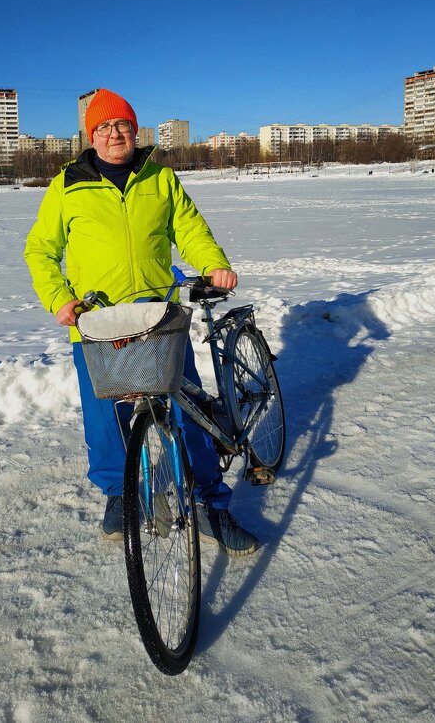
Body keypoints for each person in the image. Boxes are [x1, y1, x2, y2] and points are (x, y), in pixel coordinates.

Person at [24, 88, 259, 556]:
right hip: (96, 322)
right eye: (104, 127)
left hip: (157, 318)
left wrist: (214, 264)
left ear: (135, 130)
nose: (115, 134)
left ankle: (210, 503)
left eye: (123, 125)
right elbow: (40, 250)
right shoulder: (66, 185)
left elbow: (190, 229)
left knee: (186, 410)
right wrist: (59, 299)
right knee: (105, 418)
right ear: (91, 136)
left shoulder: (161, 179)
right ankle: (120, 494)